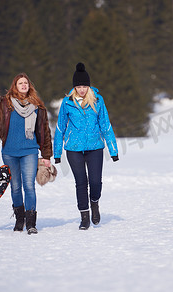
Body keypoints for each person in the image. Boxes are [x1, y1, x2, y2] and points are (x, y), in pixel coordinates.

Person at [0, 73, 52, 235]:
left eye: (26, 83)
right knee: (15, 187)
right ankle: (19, 219)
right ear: (15, 85)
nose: (23, 85)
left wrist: (46, 155)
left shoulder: (37, 106)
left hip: (29, 151)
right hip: (9, 152)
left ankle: (31, 222)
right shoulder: (6, 104)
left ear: (29, 86)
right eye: (20, 83)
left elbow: (44, 131)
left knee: (29, 186)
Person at [54, 62, 119, 230]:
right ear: (74, 87)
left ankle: (95, 203)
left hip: (95, 147)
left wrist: (113, 150)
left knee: (96, 182)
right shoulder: (67, 102)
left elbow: (105, 125)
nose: (81, 89)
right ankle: (84, 216)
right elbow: (60, 128)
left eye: (84, 86)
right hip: (73, 149)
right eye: (78, 86)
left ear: (88, 86)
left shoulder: (97, 100)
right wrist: (57, 152)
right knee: (81, 182)